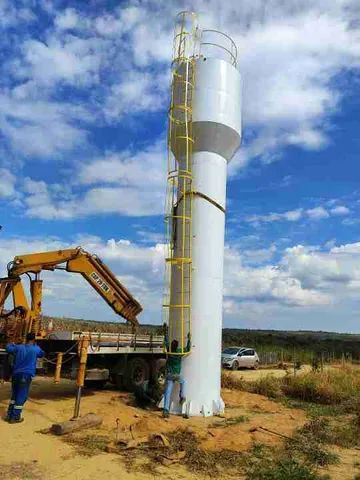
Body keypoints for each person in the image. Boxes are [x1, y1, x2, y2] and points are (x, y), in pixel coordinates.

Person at [5, 332, 45, 423]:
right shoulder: (36, 349)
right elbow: (42, 354)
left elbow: (8, 348)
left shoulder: (19, 347)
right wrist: (37, 346)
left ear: (26, 339)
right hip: (26, 375)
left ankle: (9, 415)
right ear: (34, 340)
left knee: (14, 395)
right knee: (21, 396)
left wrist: (11, 343)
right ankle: (15, 417)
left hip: (16, 374)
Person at [163, 325, 191, 418]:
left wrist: (165, 332)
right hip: (177, 375)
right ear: (177, 346)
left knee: (168, 392)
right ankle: (182, 396)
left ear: (171, 346)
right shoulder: (179, 352)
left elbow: (166, 342)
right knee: (183, 382)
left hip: (169, 375)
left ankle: (166, 410)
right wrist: (189, 339)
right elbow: (187, 349)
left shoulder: (170, 351)